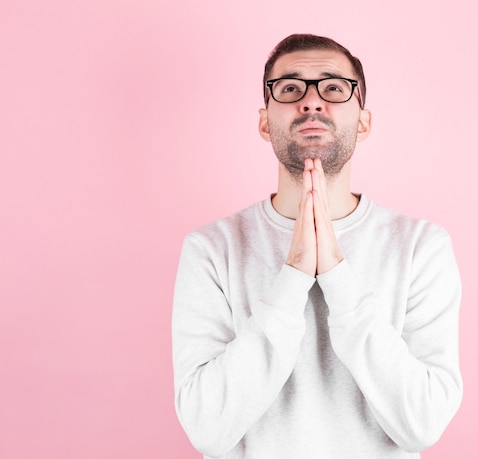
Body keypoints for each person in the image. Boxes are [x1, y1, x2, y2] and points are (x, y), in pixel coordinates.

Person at [172, 33, 462, 459]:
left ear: (362, 121)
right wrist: (292, 275)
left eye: (333, 87)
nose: (311, 102)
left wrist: (337, 275)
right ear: (264, 121)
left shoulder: (421, 246)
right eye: (290, 88)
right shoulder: (211, 249)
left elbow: (422, 424)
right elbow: (206, 428)